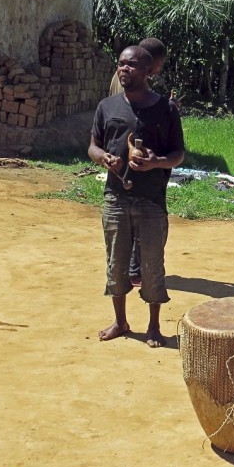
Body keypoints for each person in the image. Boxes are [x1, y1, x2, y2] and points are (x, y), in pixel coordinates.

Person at [89, 45, 185, 348]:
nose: (124, 69)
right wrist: (104, 157)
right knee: (116, 263)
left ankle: (154, 327)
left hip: (151, 201)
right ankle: (121, 321)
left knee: (152, 264)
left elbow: (178, 153)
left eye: (131, 65)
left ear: (149, 71)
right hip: (116, 198)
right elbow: (92, 146)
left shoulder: (165, 109)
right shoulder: (107, 106)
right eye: (121, 64)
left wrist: (156, 162)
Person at [109, 38, 176, 287]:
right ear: (151, 65)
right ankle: (136, 269)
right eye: (159, 65)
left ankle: (131, 268)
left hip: (127, 158)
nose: (158, 70)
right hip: (133, 160)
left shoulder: (124, 75)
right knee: (142, 215)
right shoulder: (131, 81)